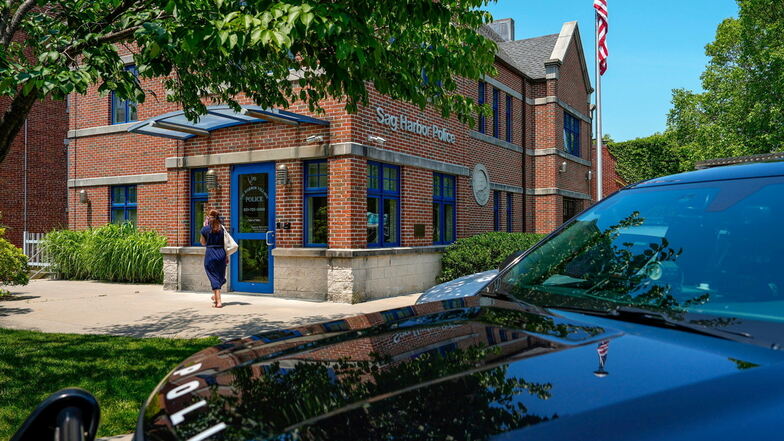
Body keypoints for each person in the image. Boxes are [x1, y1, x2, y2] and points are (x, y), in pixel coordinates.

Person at [200, 209, 228, 308]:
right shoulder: (222, 229)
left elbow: (203, 243)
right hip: (221, 253)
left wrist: (204, 229)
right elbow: (226, 243)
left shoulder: (205, 229)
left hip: (210, 254)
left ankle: (219, 301)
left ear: (209, 218)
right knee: (219, 276)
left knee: (213, 277)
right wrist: (227, 256)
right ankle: (215, 296)